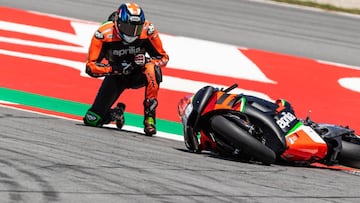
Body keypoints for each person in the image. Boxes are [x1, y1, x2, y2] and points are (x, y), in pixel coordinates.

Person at [83, 2, 169, 136]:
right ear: (117, 23)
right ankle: (116, 113)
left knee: (152, 69)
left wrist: (147, 61)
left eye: (137, 28)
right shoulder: (103, 34)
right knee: (91, 119)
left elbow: (163, 58)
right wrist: (114, 69)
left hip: (138, 73)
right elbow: (90, 67)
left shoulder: (148, 30)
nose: (132, 33)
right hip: (116, 76)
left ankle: (150, 119)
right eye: (128, 28)